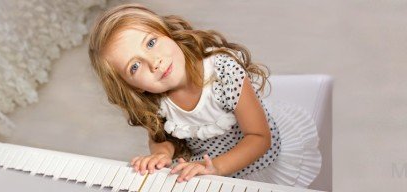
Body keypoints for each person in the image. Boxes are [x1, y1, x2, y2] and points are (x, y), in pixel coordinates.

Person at [88, 3, 320, 187]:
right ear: (133, 87)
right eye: (134, 67)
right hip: (209, 167)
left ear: (166, 33)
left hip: (255, 160)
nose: (154, 62)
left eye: (150, 42)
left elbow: (260, 138)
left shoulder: (223, 71)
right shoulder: (154, 98)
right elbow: (162, 138)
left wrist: (217, 168)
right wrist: (161, 155)